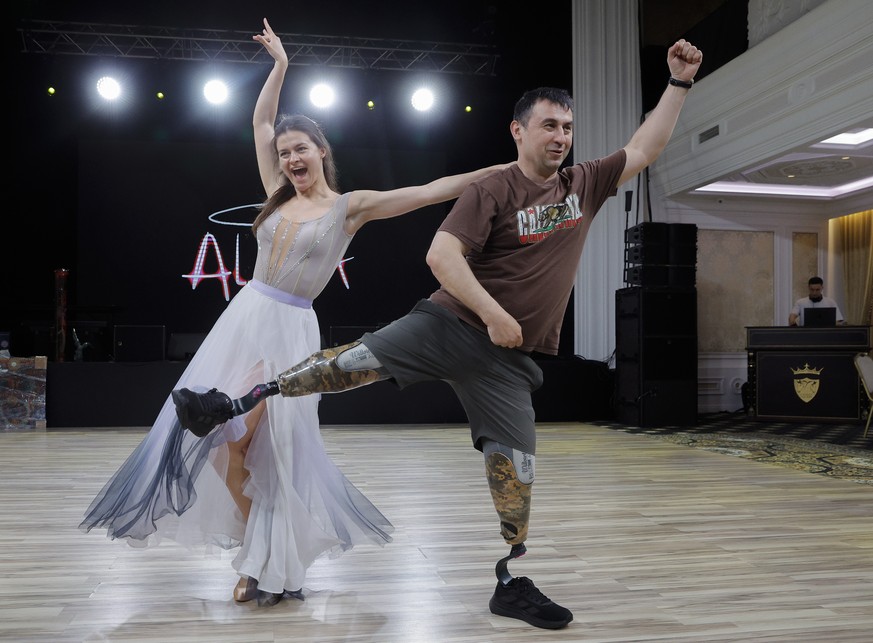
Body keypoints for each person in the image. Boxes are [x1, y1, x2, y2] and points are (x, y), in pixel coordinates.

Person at [173, 39, 703, 629]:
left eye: (567, 127)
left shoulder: (582, 185)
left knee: (516, 471)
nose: (561, 136)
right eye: (549, 125)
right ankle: (231, 407)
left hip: (507, 361)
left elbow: (645, 147)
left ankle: (511, 577)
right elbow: (441, 254)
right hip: (443, 325)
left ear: (322, 152)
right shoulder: (493, 190)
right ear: (518, 131)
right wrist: (495, 312)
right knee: (352, 363)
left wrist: (678, 82)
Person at [80, 17, 510, 608]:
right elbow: (261, 123)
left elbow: (431, 190)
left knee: (273, 452)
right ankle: (259, 553)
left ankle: (262, 565)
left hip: (289, 329)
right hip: (245, 318)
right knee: (220, 441)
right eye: (284, 153)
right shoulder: (276, 193)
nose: (290, 158)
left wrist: (504, 172)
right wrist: (280, 66)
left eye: (300, 148)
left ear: (321, 151)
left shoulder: (349, 208)